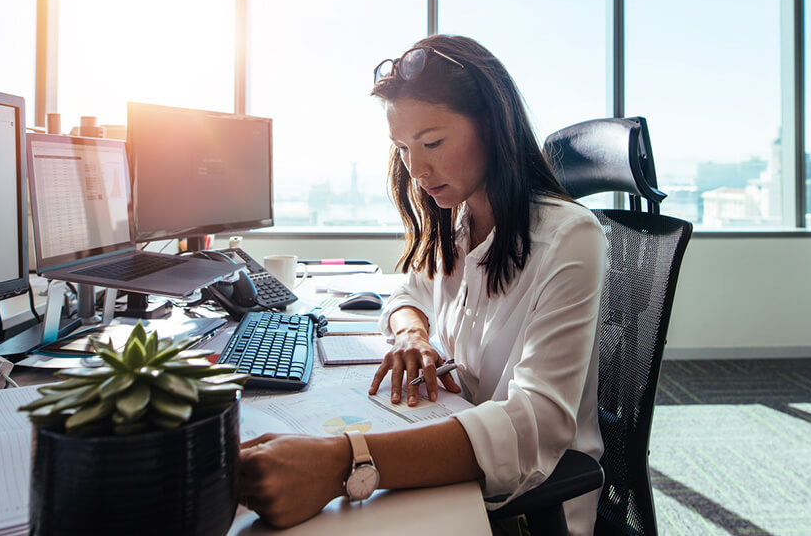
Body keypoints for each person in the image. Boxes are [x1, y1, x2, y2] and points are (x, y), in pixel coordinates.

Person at [238, 34, 607, 535]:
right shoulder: (458, 222)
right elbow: (408, 295)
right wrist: (412, 335)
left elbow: (536, 422)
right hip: (454, 447)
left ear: (494, 128)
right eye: (403, 149)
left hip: (524, 503)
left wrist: (340, 463)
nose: (416, 169)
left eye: (432, 143)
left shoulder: (570, 237)